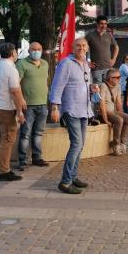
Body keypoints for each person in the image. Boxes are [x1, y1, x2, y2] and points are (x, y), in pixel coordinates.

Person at [49, 38, 95, 193]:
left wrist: (92, 88)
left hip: (84, 109)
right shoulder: (66, 63)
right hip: (71, 109)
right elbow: (57, 85)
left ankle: (73, 176)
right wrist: (55, 107)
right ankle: (65, 182)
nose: (81, 48)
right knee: (76, 144)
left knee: (80, 145)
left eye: (83, 46)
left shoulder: (85, 64)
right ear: (72, 48)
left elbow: (85, 84)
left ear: (87, 48)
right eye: (78, 46)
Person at [0, 43, 26, 182]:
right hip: (6, 109)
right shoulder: (11, 69)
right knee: (7, 139)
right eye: (16, 52)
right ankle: (4, 171)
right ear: (13, 53)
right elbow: (15, 91)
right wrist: (20, 111)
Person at [15, 41, 49, 170]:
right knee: (25, 134)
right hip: (28, 105)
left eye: (39, 49)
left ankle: (37, 158)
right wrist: (21, 100)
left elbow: (46, 81)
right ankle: (22, 160)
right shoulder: (21, 63)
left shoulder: (45, 64)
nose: (36, 51)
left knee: (38, 133)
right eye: (33, 49)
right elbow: (16, 83)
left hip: (43, 104)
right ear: (29, 51)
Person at [99, 68, 128, 155]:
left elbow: (118, 102)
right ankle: (115, 144)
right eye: (118, 77)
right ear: (110, 79)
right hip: (105, 112)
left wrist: (122, 114)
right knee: (119, 120)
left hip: (113, 111)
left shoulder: (118, 86)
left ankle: (122, 143)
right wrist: (106, 120)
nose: (119, 79)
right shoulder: (103, 86)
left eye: (120, 77)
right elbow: (102, 105)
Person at [85, 15, 119, 84]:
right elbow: (82, 48)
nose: (103, 26)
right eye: (101, 24)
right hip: (96, 69)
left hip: (108, 68)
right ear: (97, 24)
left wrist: (114, 59)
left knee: (108, 89)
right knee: (98, 90)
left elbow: (116, 47)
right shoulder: (90, 35)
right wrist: (86, 62)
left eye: (105, 24)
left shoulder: (109, 35)